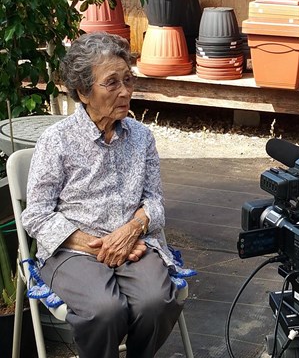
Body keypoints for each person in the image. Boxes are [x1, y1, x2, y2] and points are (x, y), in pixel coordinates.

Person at [22, 32, 186, 358]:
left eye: (128, 79)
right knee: (104, 310)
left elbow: (153, 200)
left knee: (158, 301)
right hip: (72, 250)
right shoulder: (57, 141)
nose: (125, 91)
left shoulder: (141, 137)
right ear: (84, 92)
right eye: (112, 83)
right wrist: (99, 245)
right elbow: (37, 214)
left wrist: (131, 230)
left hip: (133, 243)